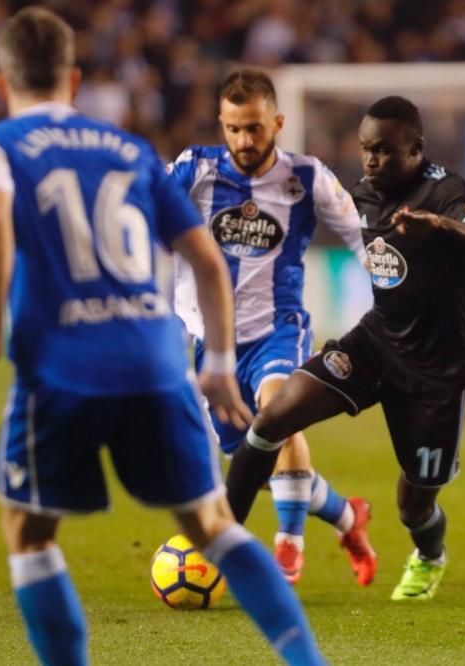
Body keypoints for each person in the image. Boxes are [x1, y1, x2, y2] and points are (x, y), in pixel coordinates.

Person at [0, 8, 323, 665]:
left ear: (3, 85)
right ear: (73, 80)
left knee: (30, 532)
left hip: (64, 363)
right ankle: (305, 660)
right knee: (211, 524)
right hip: (154, 355)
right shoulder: (128, 148)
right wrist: (215, 360)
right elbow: (207, 258)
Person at [224, 96, 465, 601]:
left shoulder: (445, 190)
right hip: (375, 344)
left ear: (416, 148)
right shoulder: (359, 194)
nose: (371, 160)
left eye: (383, 150)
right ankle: (221, 541)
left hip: (438, 372)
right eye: (365, 149)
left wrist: (444, 226)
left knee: (414, 506)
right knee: (271, 420)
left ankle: (429, 556)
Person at [168, 68, 377, 587]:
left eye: (255, 128)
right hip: (209, 340)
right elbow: (141, 213)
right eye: (234, 128)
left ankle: (288, 549)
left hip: (277, 330)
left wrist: (398, 295)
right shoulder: (193, 169)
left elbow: (362, 240)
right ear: (221, 124)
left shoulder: (307, 178)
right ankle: (349, 517)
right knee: (252, 464)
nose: (244, 140)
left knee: (277, 415)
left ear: (278, 122)